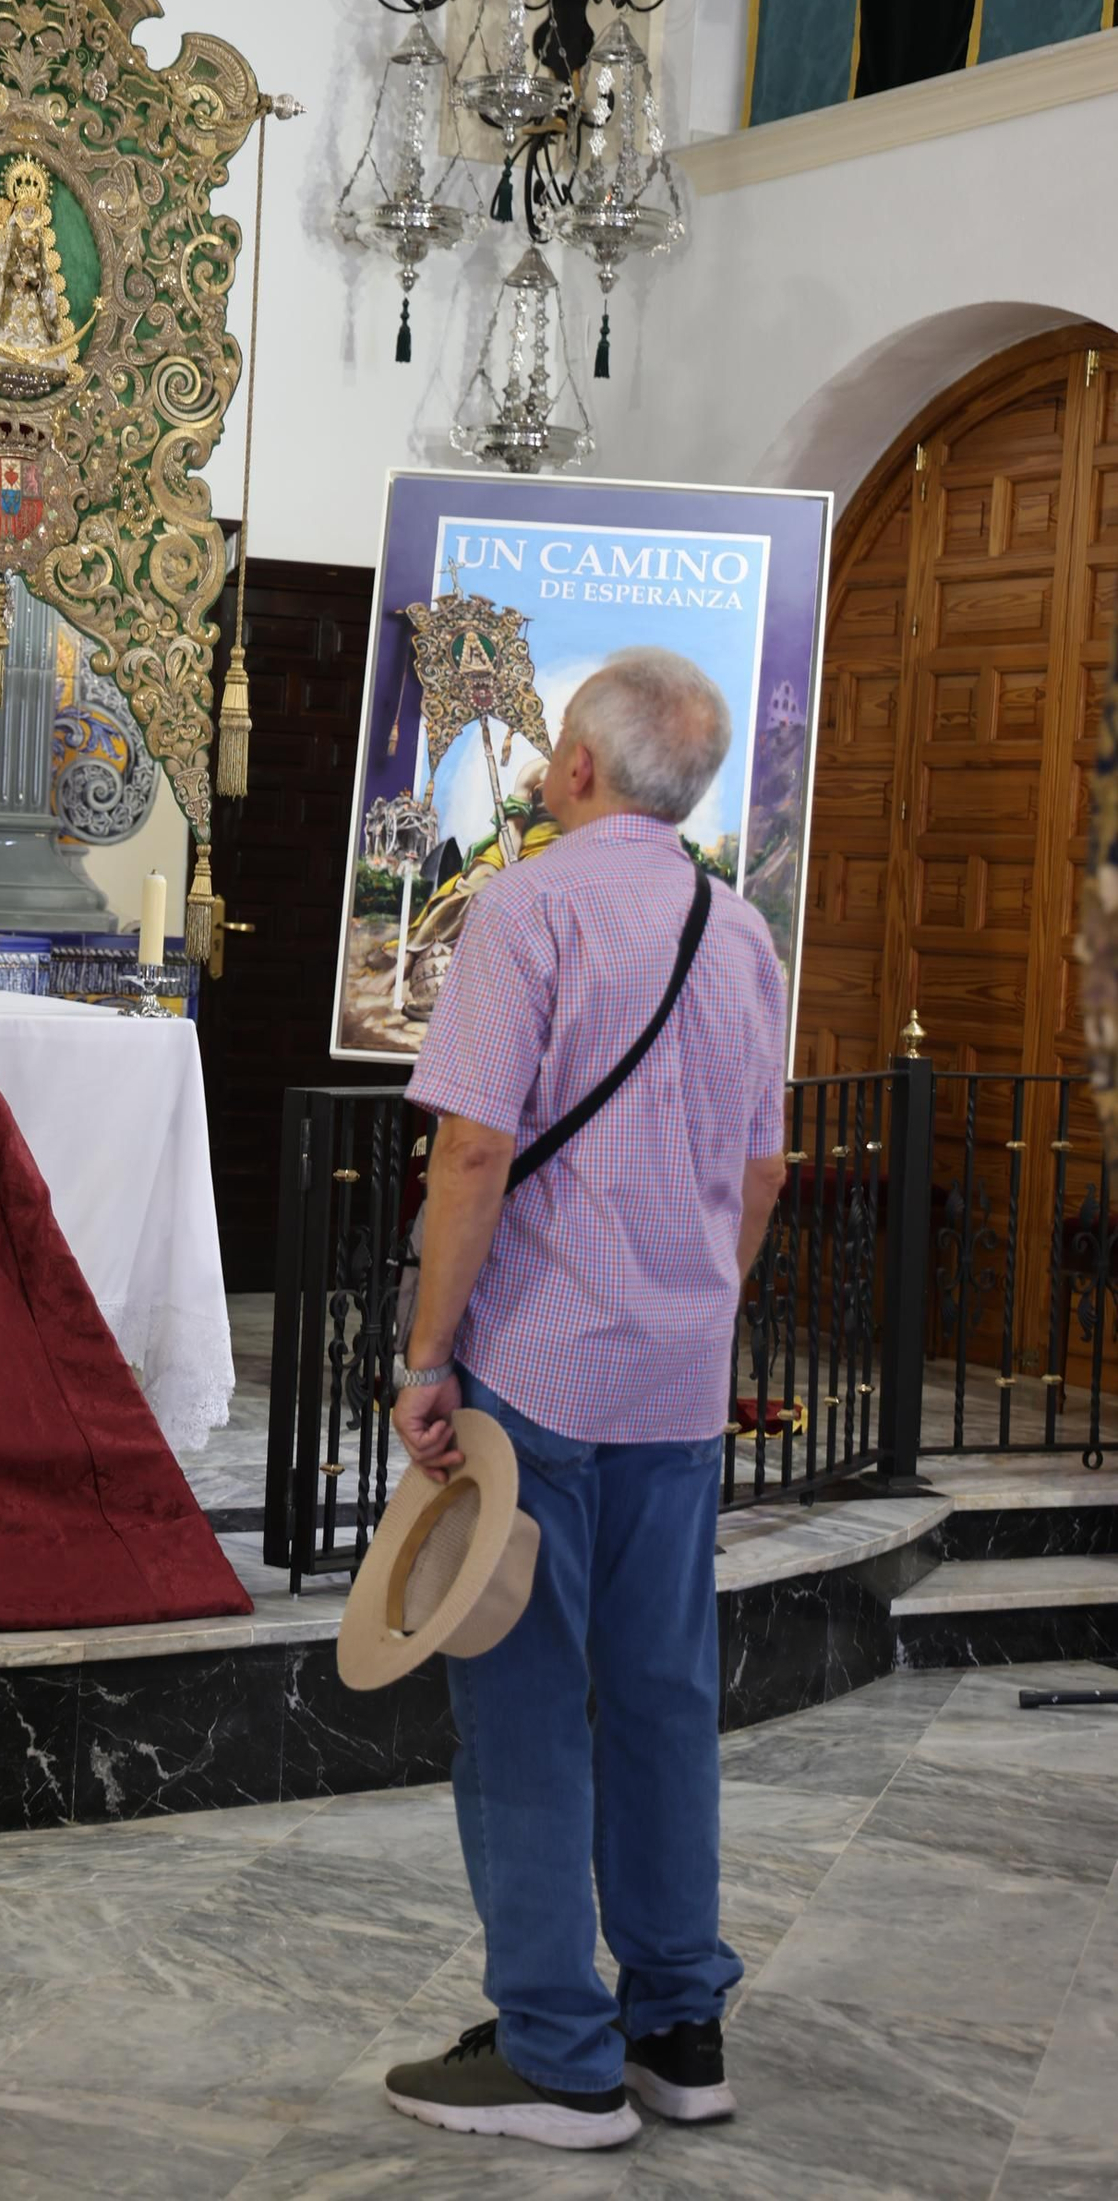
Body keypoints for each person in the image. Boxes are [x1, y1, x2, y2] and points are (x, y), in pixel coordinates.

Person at [385, 645, 787, 2155]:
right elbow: (763, 1172)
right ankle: (678, 2029)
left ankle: (558, 2054)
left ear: (576, 769)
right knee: (666, 1699)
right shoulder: (741, 932)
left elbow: (475, 1151)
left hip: (538, 1373)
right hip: (676, 1386)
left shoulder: (530, 907)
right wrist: (693, 1317)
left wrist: (429, 1357)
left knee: (527, 1705)